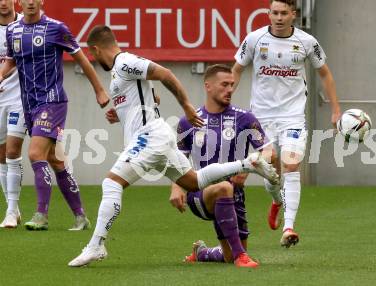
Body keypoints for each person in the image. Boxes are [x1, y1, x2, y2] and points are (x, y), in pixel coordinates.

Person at [67, 25, 279, 267]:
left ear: (95, 49)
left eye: (93, 56)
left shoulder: (124, 61)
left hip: (149, 137)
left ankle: (96, 245)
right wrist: (123, 112)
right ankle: (248, 163)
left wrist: (187, 106)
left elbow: (164, 73)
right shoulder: (120, 71)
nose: (95, 60)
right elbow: (152, 97)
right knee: (193, 182)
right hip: (157, 136)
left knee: (111, 182)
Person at [232, 0, 341, 247]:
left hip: (292, 116)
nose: (278, 17)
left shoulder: (306, 42)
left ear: (294, 14)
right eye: (274, 13)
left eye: (284, 13)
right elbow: (237, 69)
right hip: (260, 119)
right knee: (270, 169)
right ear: (268, 14)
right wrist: (227, 96)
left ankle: (289, 227)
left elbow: (325, 73)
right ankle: (277, 201)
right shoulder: (254, 39)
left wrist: (336, 110)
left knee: (291, 165)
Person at [0, 0, 110, 230]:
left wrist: (100, 90)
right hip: (28, 104)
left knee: (34, 153)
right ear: (20, 2)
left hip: (52, 102)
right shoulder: (13, 30)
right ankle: (80, 216)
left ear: (42, 1)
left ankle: (41, 214)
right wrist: (1, 75)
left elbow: (81, 58)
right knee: (56, 160)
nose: (31, 2)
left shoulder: (56, 28)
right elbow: (11, 58)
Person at [170, 64, 270, 268]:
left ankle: (203, 252)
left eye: (232, 85)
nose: (230, 89)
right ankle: (241, 257)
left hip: (236, 196)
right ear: (208, 86)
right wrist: (176, 187)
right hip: (199, 194)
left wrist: (251, 165)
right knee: (224, 187)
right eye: (224, 84)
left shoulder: (245, 118)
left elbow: (268, 151)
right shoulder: (188, 122)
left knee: (227, 256)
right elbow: (178, 160)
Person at [0, 0, 25, 228]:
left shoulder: (24, 25)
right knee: (1, 155)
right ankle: (13, 209)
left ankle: (9, 211)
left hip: (18, 98)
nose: (3, 3)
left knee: (12, 150)